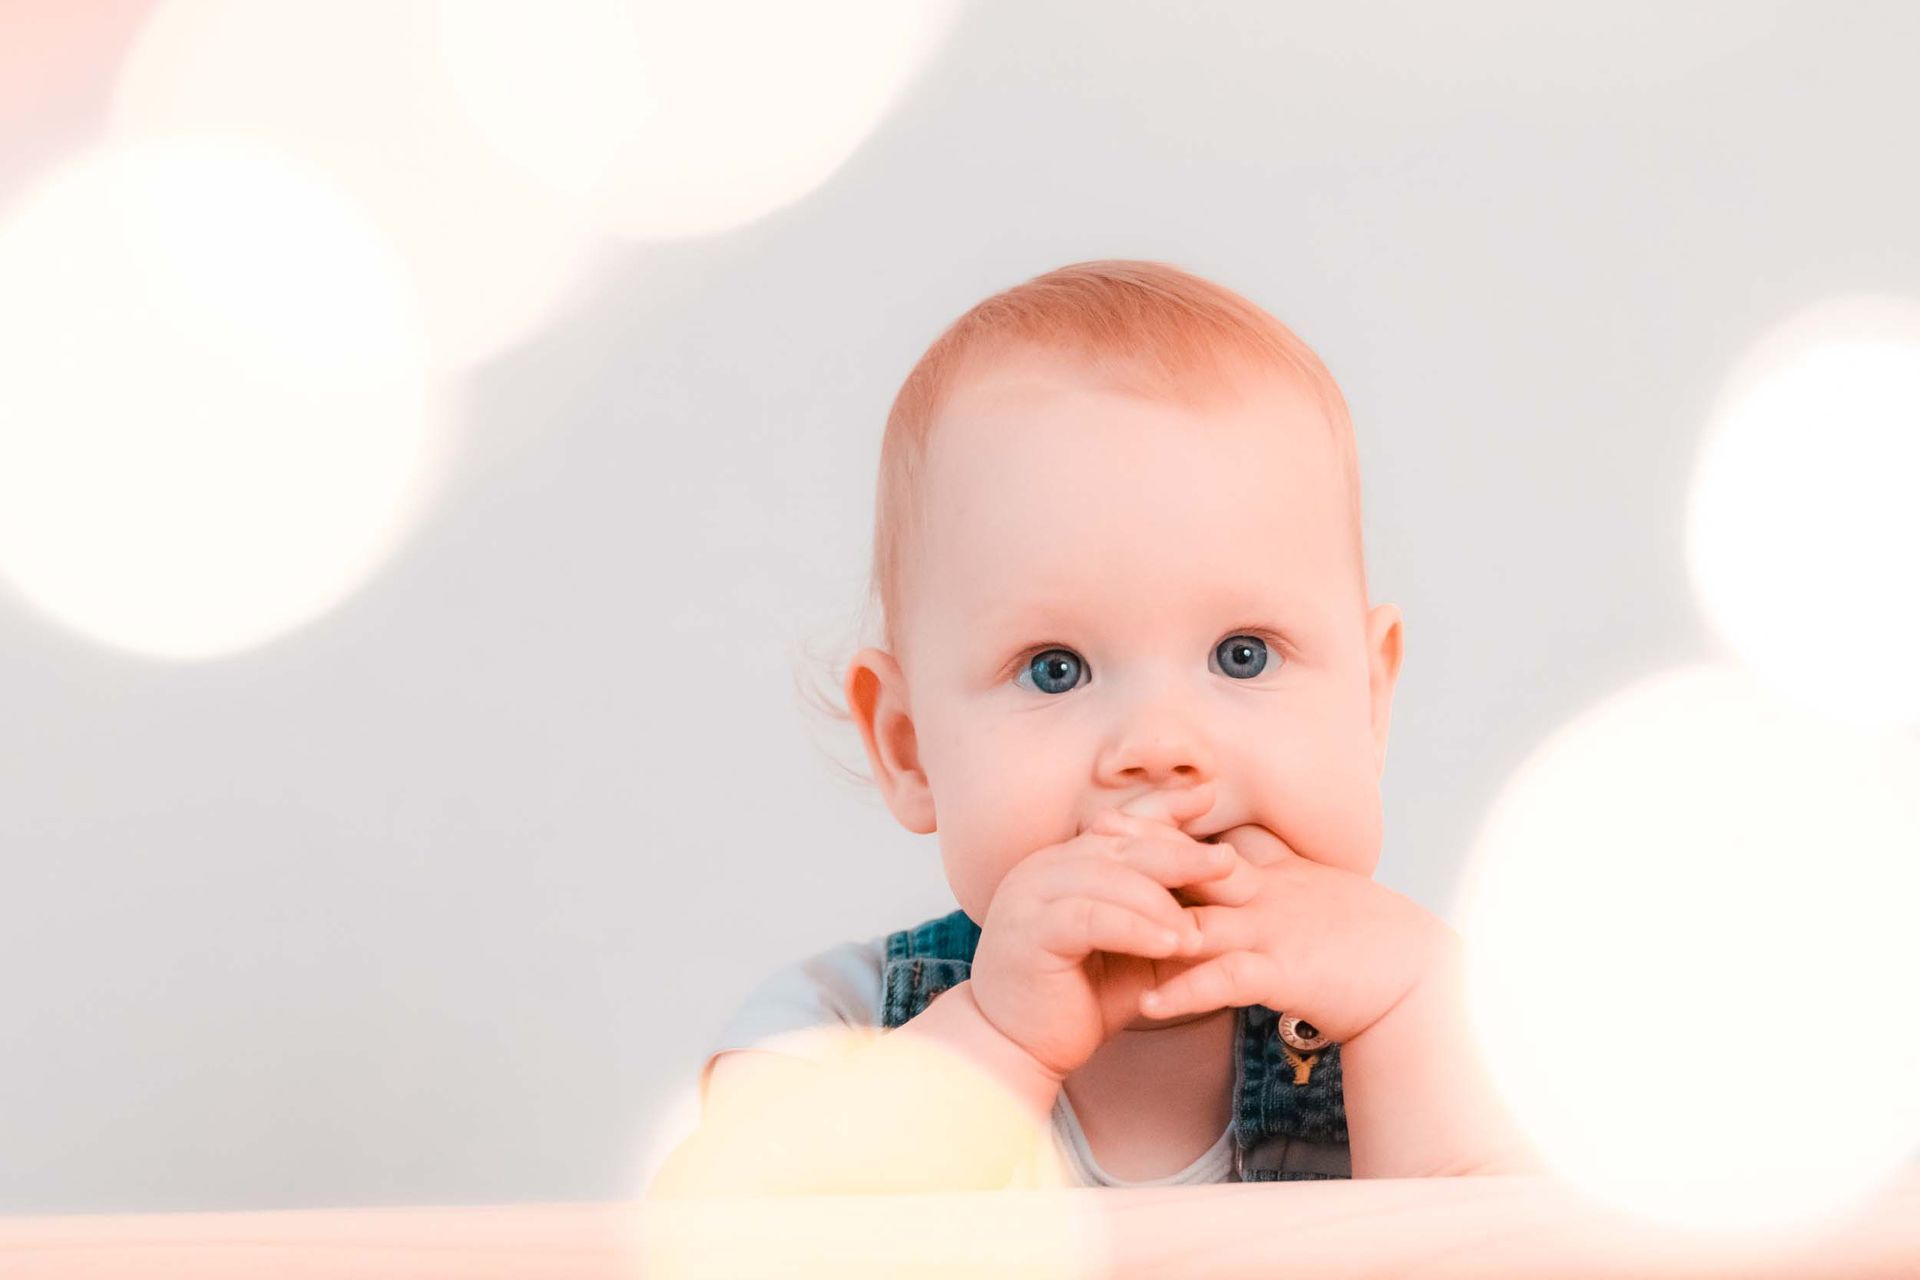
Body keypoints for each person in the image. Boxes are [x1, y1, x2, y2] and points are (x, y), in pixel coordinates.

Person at [650, 259, 1541, 1196]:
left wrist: (1413, 1012)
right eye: (1055, 670)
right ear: (910, 748)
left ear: (1368, 703)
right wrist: (995, 1039)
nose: (1159, 746)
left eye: (1244, 654)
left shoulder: (1461, 1026)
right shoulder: (830, 1032)